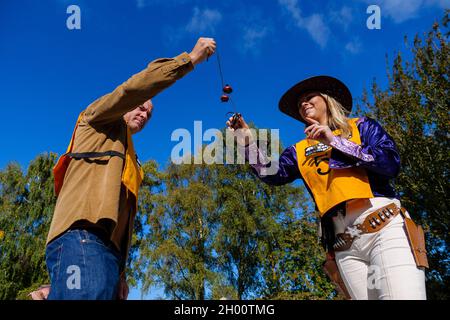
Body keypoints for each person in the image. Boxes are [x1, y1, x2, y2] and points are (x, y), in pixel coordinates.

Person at [226, 75, 428, 300]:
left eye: (309, 96)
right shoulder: (299, 149)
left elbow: (390, 162)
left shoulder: (362, 126)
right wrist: (245, 140)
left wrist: (334, 141)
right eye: (299, 102)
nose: (303, 103)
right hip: (345, 246)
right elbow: (272, 174)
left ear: (328, 99)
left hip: (384, 226)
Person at [45, 37, 216, 300]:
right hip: (82, 236)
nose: (144, 114)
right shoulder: (97, 120)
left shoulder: (132, 162)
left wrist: (120, 272)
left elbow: (124, 218)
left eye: (150, 113)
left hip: (108, 255)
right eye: (141, 106)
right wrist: (190, 59)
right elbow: (133, 89)